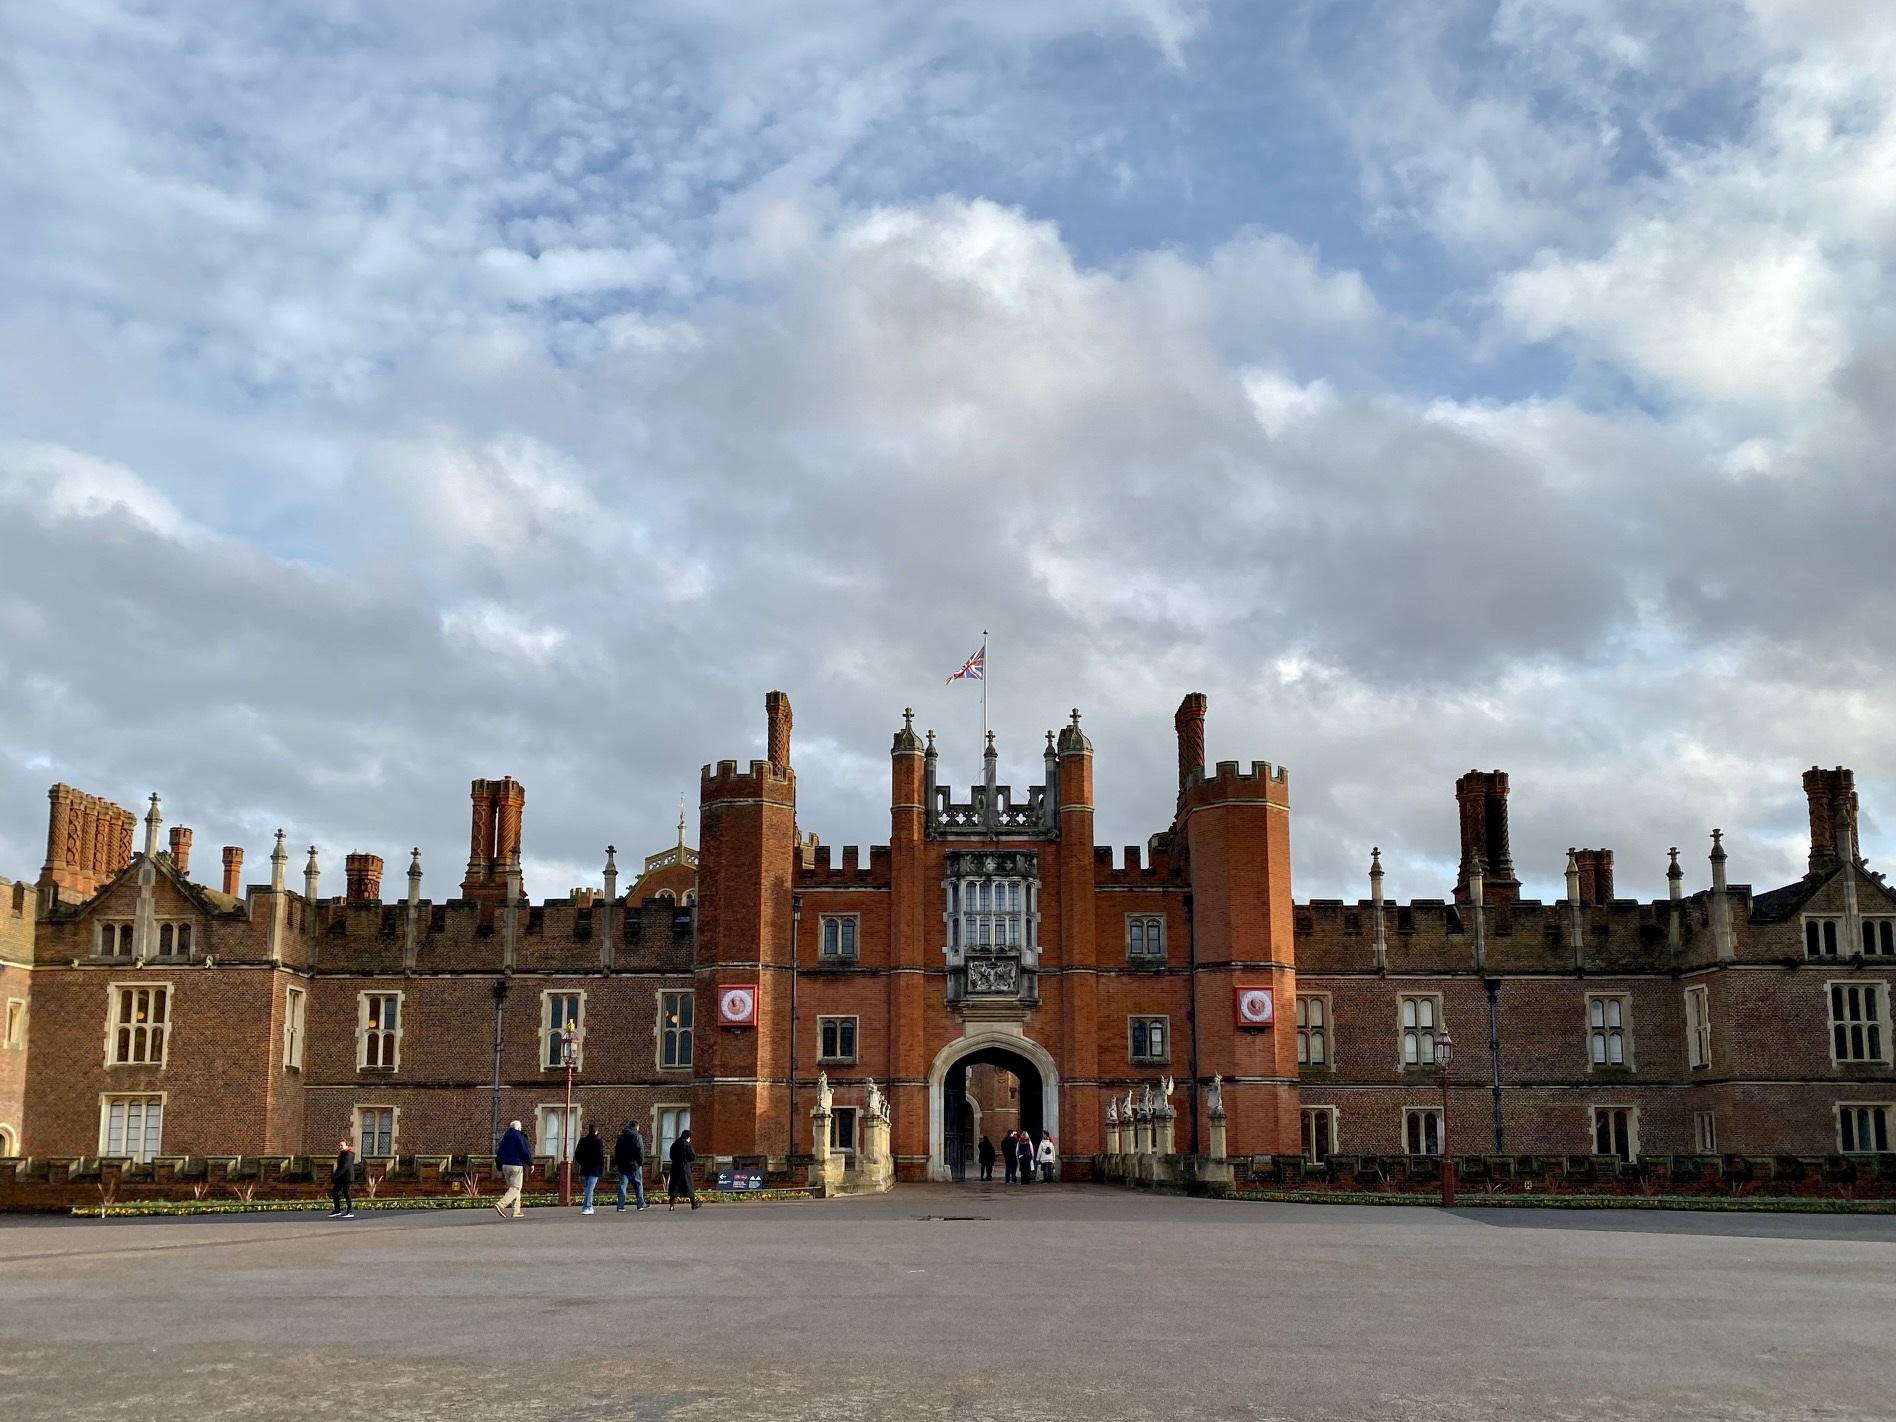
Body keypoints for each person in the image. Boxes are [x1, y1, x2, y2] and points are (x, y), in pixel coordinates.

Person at [494, 1118, 533, 1219]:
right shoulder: (520, 1136)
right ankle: (501, 1204)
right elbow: (525, 1151)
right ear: (519, 1128)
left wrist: (499, 1168)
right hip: (516, 1165)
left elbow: (499, 1153)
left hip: (505, 1166)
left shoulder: (505, 1137)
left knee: (513, 1188)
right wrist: (530, 1163)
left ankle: (516, 1211)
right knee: (516, 1188)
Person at [614, 1120, 648, 1212]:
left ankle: (620, 1206)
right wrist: (640, 1163)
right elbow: (640, 1151)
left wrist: (618, 1161)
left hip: (623, 1164)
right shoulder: (637, 1136)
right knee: (638, 1184)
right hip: (634, 1165)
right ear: (637, 1127)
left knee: (622, 1185)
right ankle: (640, 1204)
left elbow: (617, 1150)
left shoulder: (621, 1137)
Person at [574, 1123, 606, 1214]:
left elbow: (577, 1155)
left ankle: (588, 1205)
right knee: (590, 1188)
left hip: (585, 1167)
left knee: (588, 1187)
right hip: (594, 1168)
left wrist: (582, 1163)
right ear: (596, 1131)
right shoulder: (598, 1142)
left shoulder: (582, 1141)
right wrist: (601, 1168)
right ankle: (587, 1207)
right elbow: (600, 1157)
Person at [668, 1128, 701, 1211]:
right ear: (688, 1137)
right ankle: (693, 1204)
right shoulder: (687, 1145)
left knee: (674, 1186)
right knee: (688, 1185)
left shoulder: (675, 1144)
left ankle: (671, 1205)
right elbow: (692, 1156)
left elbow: (671, 1155)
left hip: (675, 1166)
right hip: (684, 1167)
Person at [329, 1139, 356, 1219]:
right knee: (334, 1192)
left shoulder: (349, 1154)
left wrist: (336, 1175)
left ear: (346, 1146)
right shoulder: (342, 1154)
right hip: (341, 1178)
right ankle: (337, 1210)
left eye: (342, 1145)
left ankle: (350, 1211)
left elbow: (345, 1166)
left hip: (347, 1177)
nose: (340, 1147)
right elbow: (339, 1167)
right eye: (339, 1145)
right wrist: (335, 1175)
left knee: (346, 1193)